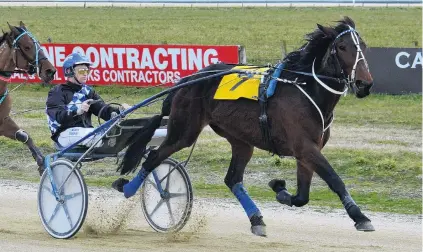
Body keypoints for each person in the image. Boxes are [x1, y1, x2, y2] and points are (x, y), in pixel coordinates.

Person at [45, 52, 130, 148]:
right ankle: (106, 138)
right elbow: (58, 116)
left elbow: (103, 110)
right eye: (82, 71)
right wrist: (77, 111)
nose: (85, 74)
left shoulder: (88, 91)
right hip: (63, 133)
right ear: (70, 71)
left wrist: (120, 110)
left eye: (87, 71)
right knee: (94, 134)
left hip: (86, 132)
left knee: (101, 131)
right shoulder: (57, 92)